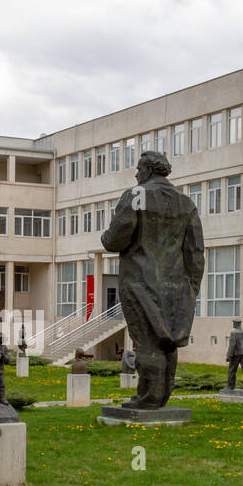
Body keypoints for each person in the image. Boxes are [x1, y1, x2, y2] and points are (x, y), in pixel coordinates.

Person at [100, 150, 204, 409]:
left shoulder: (136, 196)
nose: (136, 174)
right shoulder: (185, 204)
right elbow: (195, 252)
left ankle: (149, 399)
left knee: (147, 340)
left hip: (140, 282)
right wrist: (192, 288)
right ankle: (161, 396)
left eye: (138, 168)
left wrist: (105, 237)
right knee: (167, 342)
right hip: (177, 286)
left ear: (148, 169)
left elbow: (116, 239)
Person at [226, 319, 243, 390]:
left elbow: (232, 345)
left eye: (233, 323)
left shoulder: (234, 333)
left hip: (236, 354)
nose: (233, 324)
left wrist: (229, 356)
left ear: (236, 324)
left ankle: (230, 386)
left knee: (232, 370)